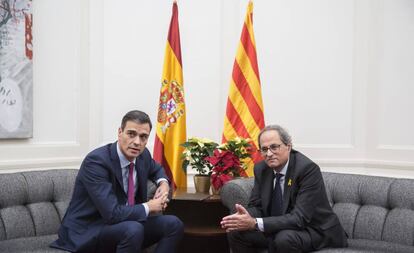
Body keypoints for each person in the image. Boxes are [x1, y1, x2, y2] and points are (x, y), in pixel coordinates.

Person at [51, 110, 184, 253]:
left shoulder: (142, 155)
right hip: (89, 230)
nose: (137, 142)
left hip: (126, 226)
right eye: (131, 134)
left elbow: (157, 169)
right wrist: (149, 207)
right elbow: (112, 213)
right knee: (133, 229)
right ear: (120, 132)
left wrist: (163, 184)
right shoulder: (96, 162)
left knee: (174, 224)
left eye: (143, 137)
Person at [221, 125, 347, 253]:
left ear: (288, 146)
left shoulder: (307, 170)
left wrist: (255, 223)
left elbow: (299, 218)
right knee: (236, 231)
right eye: (264, 149)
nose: (269, 154)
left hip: (315, 230)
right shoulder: (262, 169)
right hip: (282, 228)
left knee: (284, 239)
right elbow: (257, 206)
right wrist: (242, 219)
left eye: (274, 147)